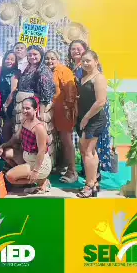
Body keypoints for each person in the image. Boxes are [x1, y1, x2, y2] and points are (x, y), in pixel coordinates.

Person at [67, 40, 112, 176]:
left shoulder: (92, 71)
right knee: (84, 146)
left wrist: (87, 116)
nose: (76, 51)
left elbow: (100, 98)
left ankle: (94, 175)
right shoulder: (71, 67)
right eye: (73, 49)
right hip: (81, 110)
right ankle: (88, 172)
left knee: (91, 147)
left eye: (78, 48)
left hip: (94, 110)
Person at [0, 97, 51, 194]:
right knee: (5, 152)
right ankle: (26, 178)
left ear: (35, 110)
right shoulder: (25, 120)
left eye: (28, 108)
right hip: (26, 157)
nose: (24, 111)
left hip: (38, 163)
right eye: (23, 108)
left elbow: (41, 151)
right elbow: (16, 137)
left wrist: (36, 171)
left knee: (9, 177)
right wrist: (3, 146)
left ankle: (40, 181)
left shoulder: (39, 128)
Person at [76, 50, 108, 198]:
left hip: (94, 119)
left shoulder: (99, 78)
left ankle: (89, 186)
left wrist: (86, 118)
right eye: (83, 61)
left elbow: (101, 102)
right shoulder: (84, 77)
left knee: (88, 151)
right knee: (87, 151)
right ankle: (94, 182)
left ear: (96, 61)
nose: (85, 63)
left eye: (88, 60)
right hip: (84, 118)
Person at [45, 50, 78, 183]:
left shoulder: (64, 71)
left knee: (66, 140)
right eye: (47, 58)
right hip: (54, 111)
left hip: (64, 111)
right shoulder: (48, 72)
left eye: (53, 58)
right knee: (59, 140)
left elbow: (70, 91)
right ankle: (62, 166)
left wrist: (68, 109)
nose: (50, 61)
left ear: (58, 59)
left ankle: (72, 171)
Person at [0, 50, 20, 143]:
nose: (9, 61)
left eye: (12, 59)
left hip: (10, 104)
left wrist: (6, 105)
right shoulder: (1, 72)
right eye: (7, 59)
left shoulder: (15, 73)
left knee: (7, 128)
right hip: (1, 101)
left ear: (15, 62)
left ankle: (7, 148)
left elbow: (13, 91)